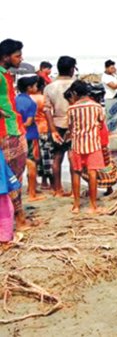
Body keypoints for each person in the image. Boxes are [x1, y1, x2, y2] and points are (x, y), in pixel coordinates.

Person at [0, 40, 31, 233]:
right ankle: (18, 220)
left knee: (14, 176)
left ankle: (18, 217)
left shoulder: (7, 75)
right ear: (5, 57)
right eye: (17, 55)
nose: (21, 59)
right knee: (13, 176)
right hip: (7, 132)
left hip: (14, 129)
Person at [65, 81, 106, 214]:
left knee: (76, 172)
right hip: (93, 144)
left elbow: (70, 127)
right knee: (92, 172)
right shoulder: (97, 106)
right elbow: (101, 122)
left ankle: (76, 205)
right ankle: (92, 206)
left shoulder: (71, 109)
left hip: (77, 144)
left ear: (75, 93)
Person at [44, 56, 76, 199]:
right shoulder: (77, 85)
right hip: (74, 124)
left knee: (57, 157)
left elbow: (47, 110)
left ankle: (57, 189)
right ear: (71, 69)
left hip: (57, 124)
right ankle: (74, 191)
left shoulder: (49, 87)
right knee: (72, 157)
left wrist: (52, 129)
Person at [16, 76, 46, 203]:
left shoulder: (15, 100)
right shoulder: (31, 102)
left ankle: (20, 192)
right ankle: (32, 192)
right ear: (29, 88)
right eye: (34, 86)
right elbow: (28, 122)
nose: (36, 88)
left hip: (16, 134)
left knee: (18, 164)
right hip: (30, 134)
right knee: (32, 162)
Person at [32, 77, 53, 190]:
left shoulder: (28, 98)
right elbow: (49, 113)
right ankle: (45, 181)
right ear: (41, 87)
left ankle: (34, 181)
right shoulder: (43, 99)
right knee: (46, 157)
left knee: (34, 156)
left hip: (31, 130)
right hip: (44, 128)